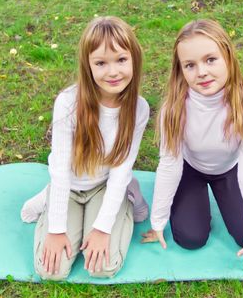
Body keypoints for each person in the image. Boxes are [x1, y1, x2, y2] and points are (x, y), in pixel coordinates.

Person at [21, 16, 150, 280]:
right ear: (87, 66)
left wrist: (102, 228)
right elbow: (59, 170)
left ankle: (129, 196)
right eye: (101, 63)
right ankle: (48, 200)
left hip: (105, 185)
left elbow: (120, 169)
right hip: (67, 187)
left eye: (121, 60)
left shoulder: (139, 108)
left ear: (134, 59)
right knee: (51, 271)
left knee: (104, 267)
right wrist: (56, 231)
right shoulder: (69, 103)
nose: (113, 72)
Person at [142, 19, 243, 270]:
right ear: (181, 70)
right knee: (190, 238)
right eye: (190, 65)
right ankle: (196, 205)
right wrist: (157, 221)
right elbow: (169, 164)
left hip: (230, 171)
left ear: (228, 58)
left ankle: (237, 212)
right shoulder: (174, 109)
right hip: (191, 170)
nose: (201, 72)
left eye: (210, 59)